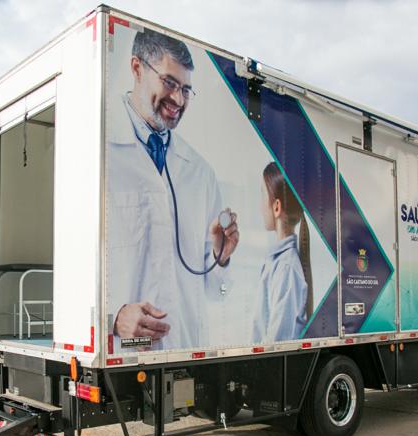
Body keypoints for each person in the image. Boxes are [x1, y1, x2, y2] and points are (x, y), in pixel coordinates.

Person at [106, 29, 239, 351]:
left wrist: (221, 258)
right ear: (136, 68)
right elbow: (70, 259)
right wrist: (113, 316)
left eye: (187, 90)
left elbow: (214, 291)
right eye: (169, 83)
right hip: (119, 353)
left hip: (184, 348)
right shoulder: (99, 152)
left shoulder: (200, 172)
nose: (178, 100)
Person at [251, 162, 313, 342]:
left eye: (263, 195)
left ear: (276, 207)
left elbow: (278, 341)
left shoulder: (286, 268)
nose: (260, 208)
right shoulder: (279, 262)